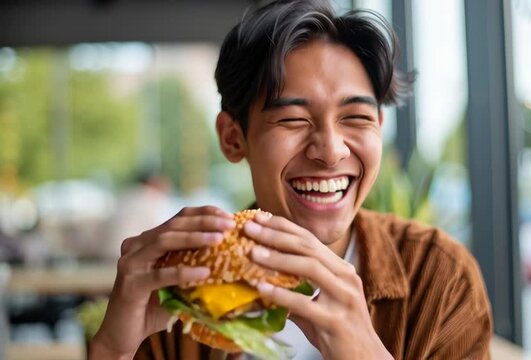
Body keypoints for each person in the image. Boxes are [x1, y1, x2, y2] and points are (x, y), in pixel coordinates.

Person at [90, 0, 493, 359]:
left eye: (356, 118)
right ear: (233, 138)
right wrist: (112, 349)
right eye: (293, 120)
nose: (331, 150)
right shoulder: (180, 290)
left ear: (379, 128)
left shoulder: (439, 277)